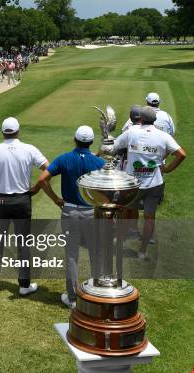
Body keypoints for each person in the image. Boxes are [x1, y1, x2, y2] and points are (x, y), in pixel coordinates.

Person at [33, 125, 105, 309]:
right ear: (90, 142)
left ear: (75, 139)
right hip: (92, 212)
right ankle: (96, 294)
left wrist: (56, 199)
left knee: (72, 256)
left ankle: (72, 299)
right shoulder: (99, 163)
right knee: (95, 253)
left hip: (70, 211)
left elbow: (42, 180)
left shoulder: (65, 158)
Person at [0, 117, 48, 296]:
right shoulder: (29, 149)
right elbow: (47, 168)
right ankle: (24, 284)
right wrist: (36, 188)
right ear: (18, 131)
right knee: (24, 244)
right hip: (22, 202)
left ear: (3, 132)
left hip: (1, 202)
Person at [111, 106, 186, 259]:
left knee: (124, 214)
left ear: (140, 119)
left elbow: (114, 147)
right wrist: (167, 169)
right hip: (155, 183)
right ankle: (142, 251)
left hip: (133, 184)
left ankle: (121, 243)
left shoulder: (131, 132)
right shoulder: (163, 136)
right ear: (154, 120)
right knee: (150, 218)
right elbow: (181, 154)